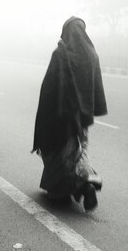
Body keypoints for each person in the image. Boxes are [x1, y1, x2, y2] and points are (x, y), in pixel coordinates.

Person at [32, 16, 107, 211]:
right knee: (77, 151)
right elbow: (94, 88)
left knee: (58, 153)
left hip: (59, 116)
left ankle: (79, 186)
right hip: (81, 118)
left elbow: (49, 87)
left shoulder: (61, 54)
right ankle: (85, 181)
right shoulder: (91, 54)